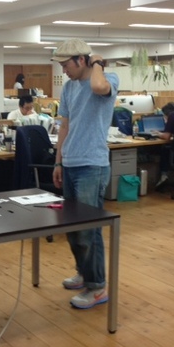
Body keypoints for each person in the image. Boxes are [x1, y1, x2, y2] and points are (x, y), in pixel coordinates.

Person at [51, 38, 119, 310]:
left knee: (89, 229)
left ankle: (97, 286)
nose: (63, 70)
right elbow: (64, 126)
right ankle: (84, 272)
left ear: (81, 60)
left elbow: (98, 87)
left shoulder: (107, 79)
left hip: (92, 165)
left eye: (66, 65)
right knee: (73, 227)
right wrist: (58, 162)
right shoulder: (68, 88)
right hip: (70, 163)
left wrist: (98, 62)